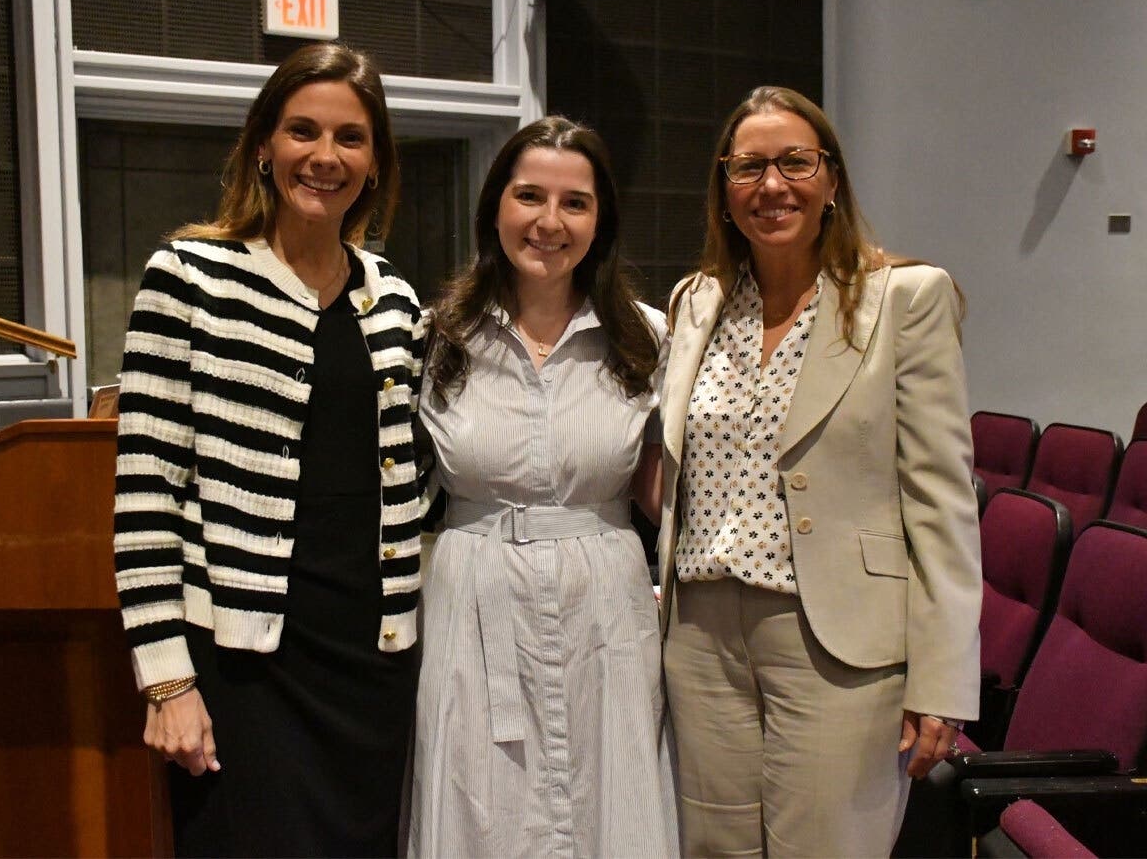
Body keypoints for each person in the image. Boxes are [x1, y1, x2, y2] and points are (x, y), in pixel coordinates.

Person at [112, 42, 424, 857]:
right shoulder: (187, 276)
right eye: (302, 132)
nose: (326, 157)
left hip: (372, 664)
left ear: (376, 161)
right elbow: (145, 493)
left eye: (351, 138)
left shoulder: (393, 296)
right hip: (246, 669)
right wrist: (167, 679)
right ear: (263, 146)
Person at [656, 86, 982, 857]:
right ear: (724, 188)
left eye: (796, 162)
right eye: (749, 167)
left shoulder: (904, 298)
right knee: (713, 847)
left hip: (836, 636)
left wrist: (942, 679)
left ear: (832, 179)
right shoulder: (695, 302)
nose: (773, 186)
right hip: (699, 634)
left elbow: (941, 502)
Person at [409, 116, 678, 858]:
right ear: (495, 205)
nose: (549, 222)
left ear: (602, 220)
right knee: (479, 808)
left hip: (606, 613)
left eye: (576, 203)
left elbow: (668, 494)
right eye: (529, 196)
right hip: (473, 601)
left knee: (607, 802)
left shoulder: (650, 339)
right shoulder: (435, 338)